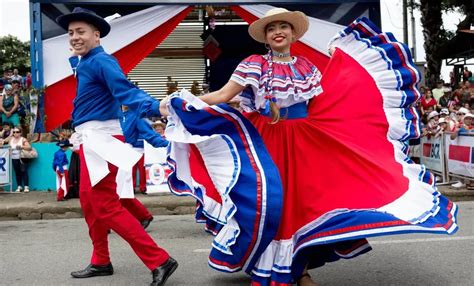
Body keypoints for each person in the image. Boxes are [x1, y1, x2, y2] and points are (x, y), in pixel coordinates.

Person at [160, 8, 458, 285]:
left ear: (293, 33)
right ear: (265, 36)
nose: (278, 31)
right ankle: (276, 266)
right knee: (271, 206)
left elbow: (327, 103)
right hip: (267, 142)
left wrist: (344, 65)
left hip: (304, 143)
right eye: (272, 28)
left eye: (284, 27)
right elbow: (224, 95)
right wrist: (184, 101)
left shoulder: (306, 66)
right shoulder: (253, 64)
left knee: (302, 207)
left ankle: (298, 269)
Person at [55, 7, 177, 286]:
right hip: (90, 139)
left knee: (106, 206)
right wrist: (78, 55)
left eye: (81, 32)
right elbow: (81, 67)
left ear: (97, 35)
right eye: (71, 32)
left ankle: (159, 260)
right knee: (89, 203)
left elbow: (126, 90)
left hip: (103, 140)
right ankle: (100, 261)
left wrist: (157, 106)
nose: (74, 37)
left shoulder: (102, 61)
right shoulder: (86, 62)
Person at [9, 127, 32, 193]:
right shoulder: (11, 140)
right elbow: (8, 147)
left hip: (22, 158)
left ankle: (26, 186)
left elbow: (29, 147)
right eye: (14, 132)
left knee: (24, 171)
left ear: (20, 133)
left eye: (17, 132)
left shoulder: (23, 139)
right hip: (13, 158)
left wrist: (21, 147)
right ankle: (19, 186)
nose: (15, 133)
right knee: (17, 172)